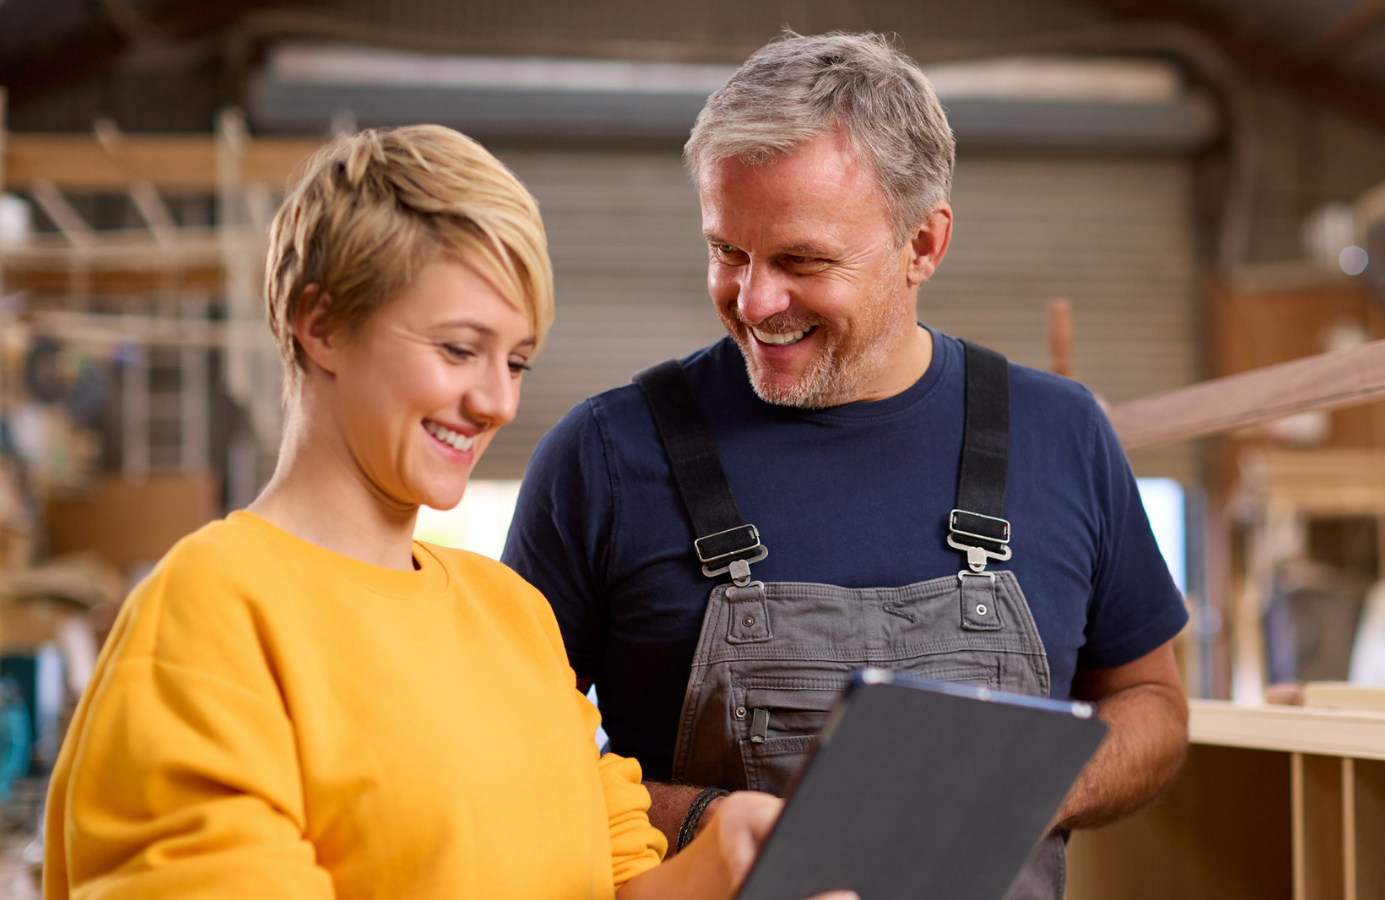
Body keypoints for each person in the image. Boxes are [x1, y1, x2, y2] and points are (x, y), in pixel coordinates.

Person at [43, 125, 854, 900]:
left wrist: (723, 867)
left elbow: (619, 880)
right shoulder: (215, 611)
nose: (496, 401)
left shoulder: (512, 616)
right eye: (460, 349)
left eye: (517, 360)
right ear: (319, 323)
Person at [504, 30, 1191, 900]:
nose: (755, 302)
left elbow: (1154, 709)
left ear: (924, 246)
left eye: (802, 260)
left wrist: (1026, 787)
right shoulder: (604, 455)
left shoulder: (1061, 434)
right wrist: (698, 820)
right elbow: (510, 755)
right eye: (727, 252)